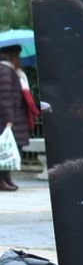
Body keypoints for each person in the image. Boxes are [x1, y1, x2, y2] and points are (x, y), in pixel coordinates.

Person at [0, 46, 31, 191]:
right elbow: (5, 96)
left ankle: (6, 178)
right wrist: (9, 119)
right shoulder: (5, 69)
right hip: (9, 119)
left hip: (15, 117)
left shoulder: (11, 70)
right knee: (6, 150)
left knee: (11, 149)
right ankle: (2, 180)